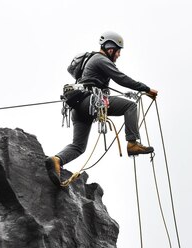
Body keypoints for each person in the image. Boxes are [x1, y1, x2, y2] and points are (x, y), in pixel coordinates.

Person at [45, 31, 158, 186]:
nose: (118, 55)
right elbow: (121, 78)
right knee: (130, 106)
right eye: (118, 51)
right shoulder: (100, 59)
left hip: (79, 108)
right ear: (110, 48)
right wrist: (146, 89)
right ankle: (132, 143)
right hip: (91, 102)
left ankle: (56, 160)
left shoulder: (92, 60)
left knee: (78, 146)